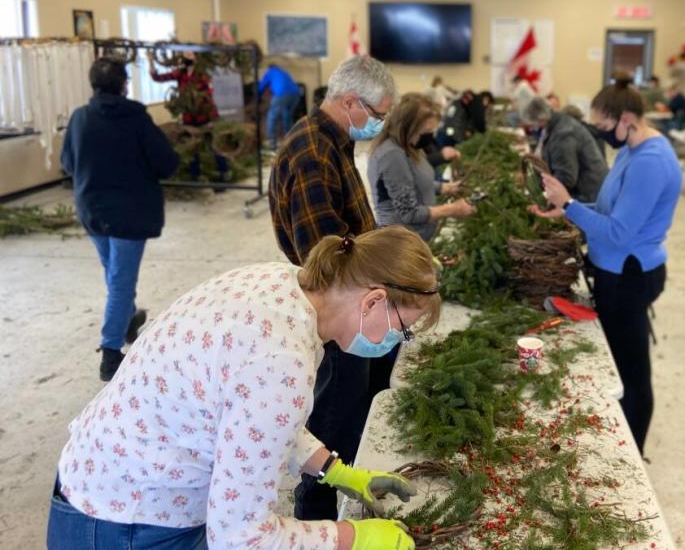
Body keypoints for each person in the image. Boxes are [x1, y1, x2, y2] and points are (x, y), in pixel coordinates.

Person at [49, 226, 438, 550]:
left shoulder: (283, 283)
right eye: (402, 329)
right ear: (373, 301)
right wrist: (354, 538)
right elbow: (239, 537)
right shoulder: (281, 360)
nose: (397, 340)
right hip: (127, 523)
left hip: (97, 480)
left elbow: (251, 417)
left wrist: (334, 471)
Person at [268, 54, 396, 522]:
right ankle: (316, 510)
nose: (378, 124)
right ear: (349, 102)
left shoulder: (335, 143)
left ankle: (349, 478)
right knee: (338, 410)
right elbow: (327, 254)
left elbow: (350, 231)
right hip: (342, 304)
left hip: (359, 294)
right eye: (377, 115)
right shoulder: (311, 154)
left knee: (359, 401)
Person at [530, 77, 682, 456]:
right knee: (615, 360)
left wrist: (570, 205)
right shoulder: (632, 149)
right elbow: (609, 209)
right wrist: (566, 211)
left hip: (629, 274)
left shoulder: (651, 162)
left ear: (626, 118)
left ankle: (632, 452)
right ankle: (618, 439)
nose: (601, 135)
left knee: (631, 371)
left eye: (602, 128)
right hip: (614, 270)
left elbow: (617, 232)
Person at [61, 58, 179, 381]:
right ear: (124, 85)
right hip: (128, 213)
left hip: (93, 211)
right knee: (121, 281)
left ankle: (127, 320)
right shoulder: (137, 119)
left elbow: (67, 163)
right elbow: (166, 162)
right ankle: (111, 354)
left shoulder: (80, 118)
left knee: (115, 275)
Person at [368, 95, 475, 241]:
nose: (428, 137)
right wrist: (452, 209)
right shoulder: (393, 155)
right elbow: (409, 212)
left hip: (418, 238)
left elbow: (412, 182)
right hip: (401, 242)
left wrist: (444, 187)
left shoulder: (410, 146)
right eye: (425, 132)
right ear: (408, 127)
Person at [522, 97, 607, 204]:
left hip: (588, 196)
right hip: (587, 190)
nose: (533, 128)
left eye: (534, 124)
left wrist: (542, 193)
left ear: (540, 119)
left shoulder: (563, 134)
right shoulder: (557, 124)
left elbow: (566, 178)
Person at [149, 50, 218, 126]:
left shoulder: (202, 73)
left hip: (203, 113)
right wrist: (151, 62)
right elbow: (158, 78)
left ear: (196, 57)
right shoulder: (180, 73)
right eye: (185, 54)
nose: (187, 56)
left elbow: (209, 91)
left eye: (190, 54)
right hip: (188, 114)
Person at [258, 63, 302, 150]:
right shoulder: (284, 72)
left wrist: (258, 96)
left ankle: (272, 144)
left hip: (282, 94)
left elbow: (261, 86)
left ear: (269, 68)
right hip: (296, 95)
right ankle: (291, 144)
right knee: (287, 117)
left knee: (271, 118)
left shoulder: (270, 72)